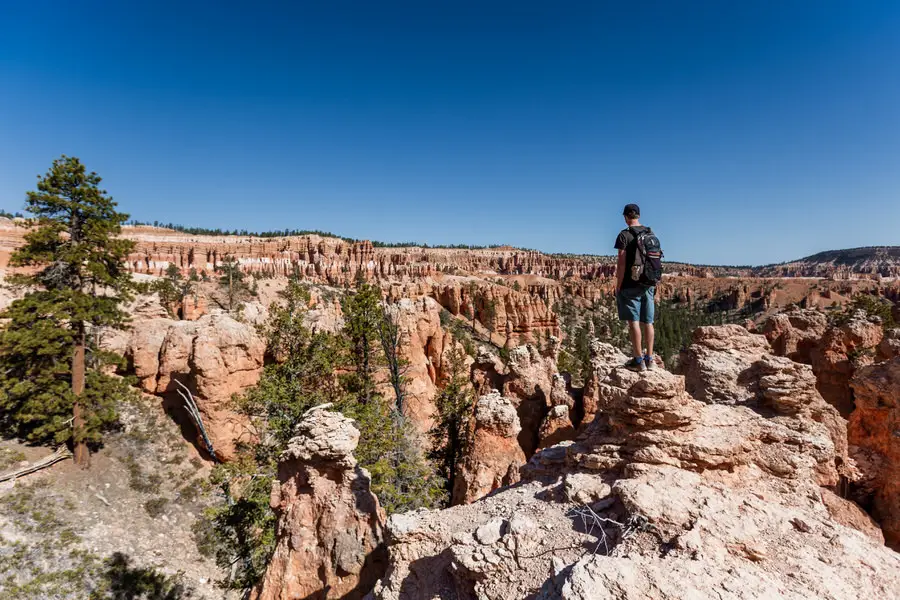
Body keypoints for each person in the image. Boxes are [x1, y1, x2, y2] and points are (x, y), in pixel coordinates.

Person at [614, 203, 656, 371]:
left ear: (625, 217)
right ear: (638, 215)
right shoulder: (649, 233)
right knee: (649, 322)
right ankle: (650, 359)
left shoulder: (624, 235)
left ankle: (638, 361)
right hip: (649, 283)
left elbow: (622, 263)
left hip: (631, 284)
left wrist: (619, 284)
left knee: (634, 323)